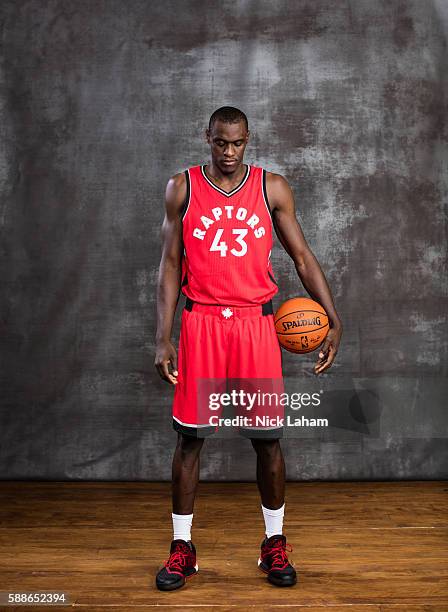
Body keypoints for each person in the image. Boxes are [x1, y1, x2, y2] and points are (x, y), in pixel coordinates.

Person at [154, 106, 342, 590]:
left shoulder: (271, 187)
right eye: (220, 143)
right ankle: (182, 549)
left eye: (237, 143)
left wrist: (332, 316)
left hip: (255, 328)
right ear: (208, 139)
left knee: (268, 440)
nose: (229, 152)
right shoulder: (183, 187)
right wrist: (163, 336)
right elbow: (171, 264)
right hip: (202, 325)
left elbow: (301, 256)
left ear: (248, 140)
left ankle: (273, 545)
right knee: (190, 440)